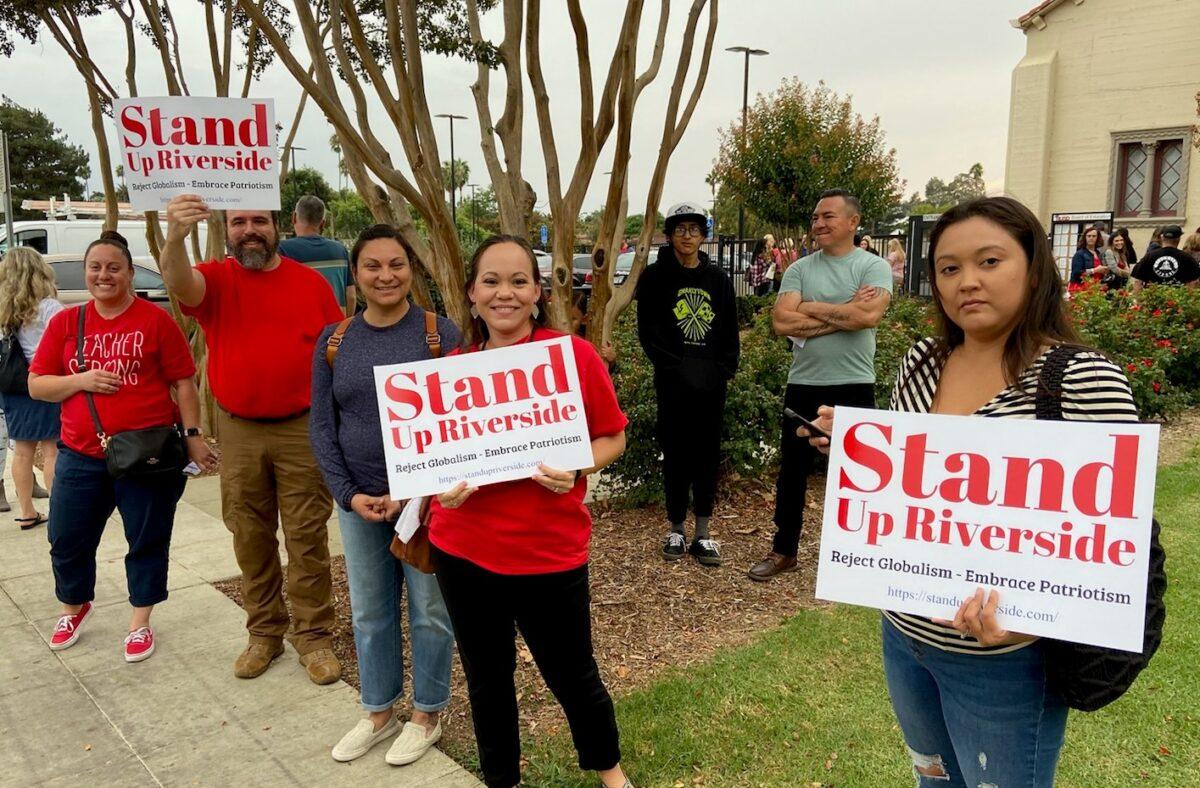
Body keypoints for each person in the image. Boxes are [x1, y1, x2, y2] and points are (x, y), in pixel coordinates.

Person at [800, 196, 1139, 787]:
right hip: (906, 636)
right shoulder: (923, 361)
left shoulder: (1083, 379)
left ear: (1033, 269)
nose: (968, 282)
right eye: (949, 268)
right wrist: (856, 447)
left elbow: (1112, 543)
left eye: (989, 261)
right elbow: (910, 478)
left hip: (1004, 662)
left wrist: (1033, 622)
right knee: (932, 781)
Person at [429, 234, 632, 788]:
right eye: (491, 281)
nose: (505, 294)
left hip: (549, 554)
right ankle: (503, 780)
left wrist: (578, 465)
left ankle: (612, 775)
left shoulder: (572, 357)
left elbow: (612, 438)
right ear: (471, 294)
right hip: (463, 551)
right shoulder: (450, 372)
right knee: (486, 679)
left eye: (519, 281)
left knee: (572, 675)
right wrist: (441, 489)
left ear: (537, 292)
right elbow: (434, 465)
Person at [160, 194, 346, 684]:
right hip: (239, 429)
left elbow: (336, 352)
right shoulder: (215, 280)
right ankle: (264, 632)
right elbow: (179, 282)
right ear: (226, 228)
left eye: (258, 220)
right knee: (249, 533)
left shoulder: (310, 284)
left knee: (307, 535)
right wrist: (175, 236)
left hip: (302, 427)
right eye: (238, 221)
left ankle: (314, 636)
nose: (249, 230)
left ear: (276, 226)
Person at [27, 231, 217, 662]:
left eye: (114, 267)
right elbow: (38, 386)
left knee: (147, 538)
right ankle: (74, 606)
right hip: (81, 454)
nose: (103, 275)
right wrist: (81, 380)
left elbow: (182, 382)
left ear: (131, 273)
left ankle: (140, 620)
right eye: (96, 267)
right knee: (67, 537)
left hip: (147, 455)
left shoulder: (154, 321)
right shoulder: (66, 324)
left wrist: (192, 437)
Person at [310, 224, 458, 766]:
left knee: (429, 610)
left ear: (411, 270)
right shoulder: (335, 340)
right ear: (357, 274)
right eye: (373, 265)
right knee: (370, 611)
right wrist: (348, 495)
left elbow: (457, 421)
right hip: (359, 503)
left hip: (422, 503)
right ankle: (378, 711)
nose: (385, 275)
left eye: (396, 264)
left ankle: (426, 715)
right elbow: (322, 428)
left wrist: (414, 491)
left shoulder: (440, 334)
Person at [748, 189, 892, 581]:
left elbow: (869, 315)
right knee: (792, 470)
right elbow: (782, 322)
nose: (819, 223)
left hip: (855, 382)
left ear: (852, 222)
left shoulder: (872, 267)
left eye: (828, 216)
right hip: (804, 383)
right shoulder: (799, 270)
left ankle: (863, 556)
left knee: (860, 473)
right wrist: (845, 311)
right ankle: (784, 551)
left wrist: (809, 309)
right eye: (815, 217)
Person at [637, 202, 740, 566]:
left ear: (703, 235)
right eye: (680, 229)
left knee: (707, 455)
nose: (687, 236)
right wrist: (675, 368)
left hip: (711, 385)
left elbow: (730, 329)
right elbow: (648, 331)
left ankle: (704, 532)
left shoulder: (719, 280)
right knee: (676, 454)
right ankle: (676, 528)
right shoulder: (654, 277)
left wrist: (722, 370)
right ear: (669, 235)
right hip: (673, 383)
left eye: (694, 229)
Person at [0, 248, 62, 530]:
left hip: (11, 386)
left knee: (22, 451)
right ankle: (60, 511)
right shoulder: (49, 307)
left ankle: (26, 511)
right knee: (53, 450)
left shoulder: (2, 308)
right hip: (44, 382)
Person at [279, 195, 356, 316]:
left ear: (294, 217)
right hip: (335, 329)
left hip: (302, 328)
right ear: (323, 223)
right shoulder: (340, 250)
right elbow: (351, 296)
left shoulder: (282, 250)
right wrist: (345, 325)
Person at [1130, 225, 1200, 290]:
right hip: (1177, 300)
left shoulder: (1149, 256)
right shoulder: (1187, 258)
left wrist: (1138, 301)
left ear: (1162, 237)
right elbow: (1194, 283)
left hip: (1153, 300)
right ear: (1178, 239)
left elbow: (1138, 281)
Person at [1068, 227, 1105, 292]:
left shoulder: (1099, 253)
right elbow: (1076, 272)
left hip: (1095, 288)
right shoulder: (1079, 254)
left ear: (1097, 238)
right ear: (1085, 238)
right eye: (1089, 236)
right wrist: (1095, 270)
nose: (1091, 238)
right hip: (1080, 288)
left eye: (1094, 236)